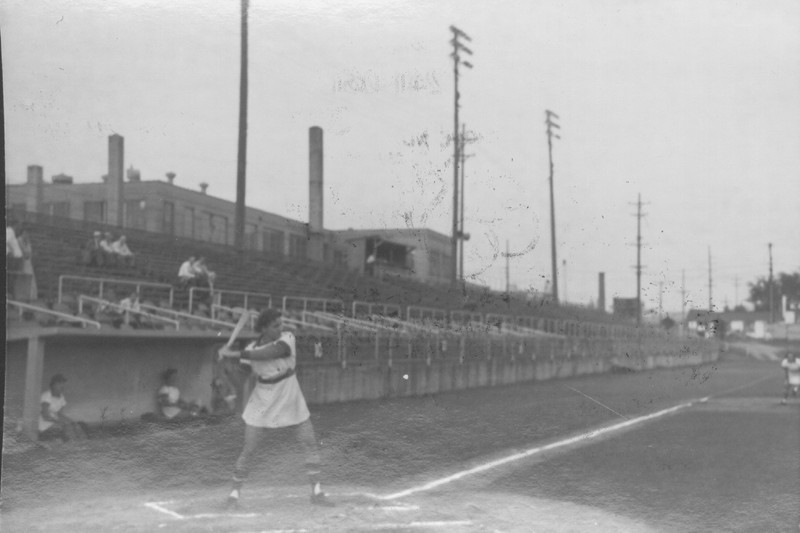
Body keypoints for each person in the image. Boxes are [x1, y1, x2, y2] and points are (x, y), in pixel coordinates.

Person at [218, 309, 335, 508]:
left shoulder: (286, 339)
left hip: (290, 395)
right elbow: (240, 379)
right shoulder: (251, 349)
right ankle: (234, 495)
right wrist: (226, 365)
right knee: (250, 449)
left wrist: (235, 353)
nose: (281, 328)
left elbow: (270, 353)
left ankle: (316, 492)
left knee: (309, 443)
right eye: (276, 325)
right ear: (264, 328)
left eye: (281, 324)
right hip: (263, 398)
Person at [39, 374, 88, 442]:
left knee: (77, 426)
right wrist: (61, 422)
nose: (62, 385)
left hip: (55, 422)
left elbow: (60, 414)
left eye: (63, 383)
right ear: (53, 385)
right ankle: (74, 444)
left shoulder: (61, 397)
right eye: (59, 383)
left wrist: (72, 422)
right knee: (67, 427)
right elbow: (45, 416)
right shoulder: (47, 396)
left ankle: (83, 444)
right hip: (44, 424)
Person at [16, 227, 38, 301]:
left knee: (30, 278)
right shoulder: (18, 240)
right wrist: (26, 254)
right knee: (22, 278)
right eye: (25, 233)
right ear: (22, 233)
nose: (26, 235)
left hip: (28, 262)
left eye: (27, 233)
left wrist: (28, 255)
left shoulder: (28, 242)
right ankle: (21, 295)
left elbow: (29, 253)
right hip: (20, 261)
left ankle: (30, 296)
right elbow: (22, 252)